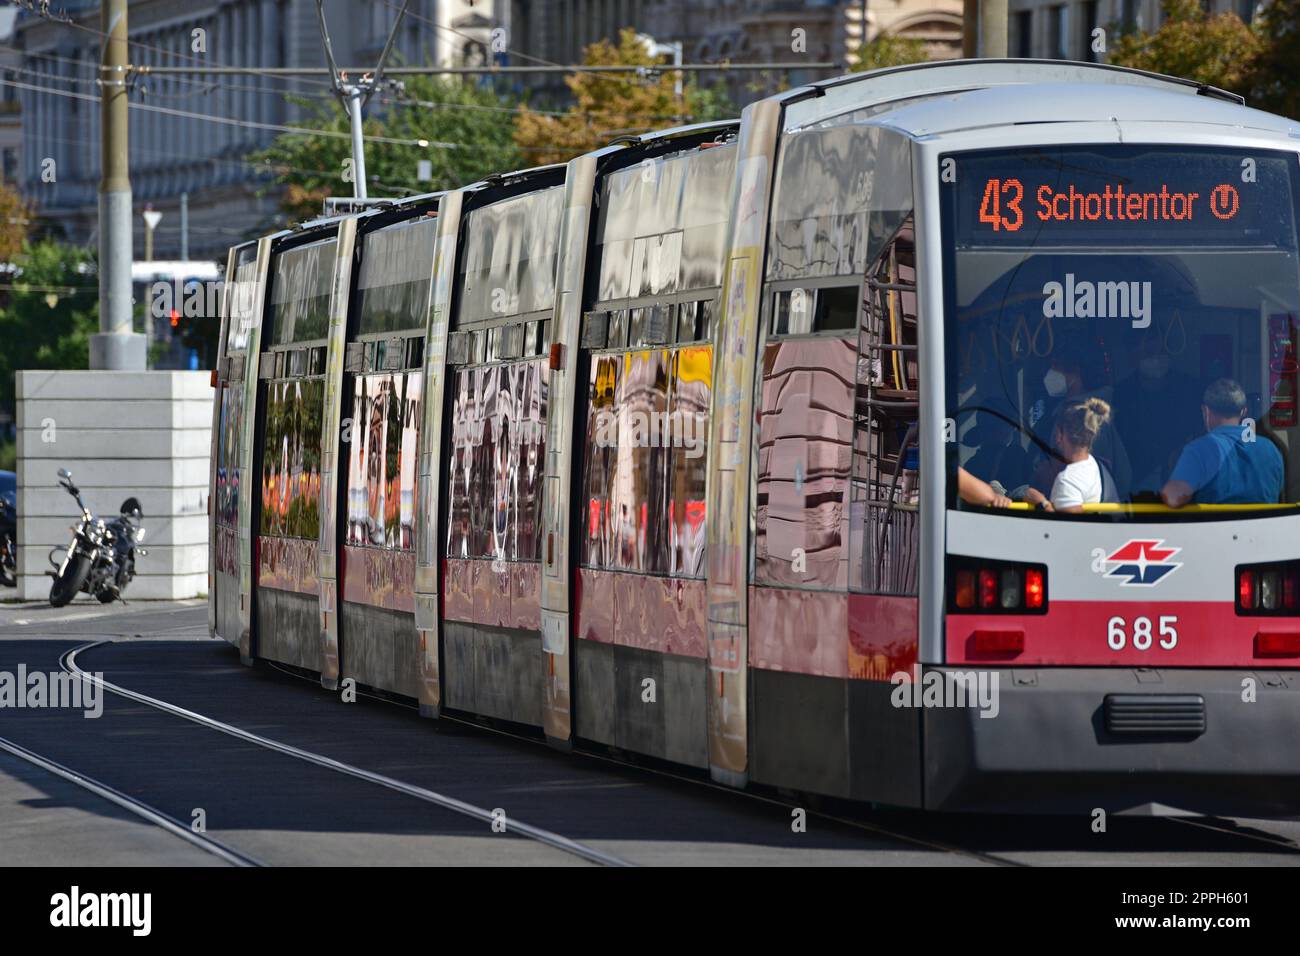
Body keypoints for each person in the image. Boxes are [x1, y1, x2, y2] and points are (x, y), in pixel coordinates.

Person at [1160, 378, 1283, 507]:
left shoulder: (1198, 450)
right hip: (1264, 526)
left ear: (1205, 411)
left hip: (1215, 526)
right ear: (1244, 411)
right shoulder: (1270, 448)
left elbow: (1173, 498)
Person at [1022, 398, 1112, 513]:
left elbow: (1068, 528)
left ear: (1059, 435)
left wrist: (1042, 503)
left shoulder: (1067, 481)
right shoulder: (1101, 467)